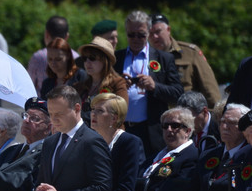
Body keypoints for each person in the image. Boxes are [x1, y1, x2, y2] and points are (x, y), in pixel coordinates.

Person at [115, 10, 183, 158]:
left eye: (141, 34)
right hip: (121, 128)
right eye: (131, 34)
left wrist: (154, 86)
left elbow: (178, 93)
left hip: (151, 130)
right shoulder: (116, 59)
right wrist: (118, 84)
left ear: (149, 32)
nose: (136, 39)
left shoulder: (164, 58)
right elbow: (103, 90)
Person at [88, 93, 143, 191]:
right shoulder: (90, 143)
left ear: (114, 118)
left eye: (99, 111)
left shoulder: (129, 142)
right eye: (93, 109)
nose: (93, 114)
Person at [140, 107, 199, 191]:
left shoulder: (191, 156)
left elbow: (176, 189)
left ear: (187, 131)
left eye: (175, 125)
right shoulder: (157, 155)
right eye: (165, 126)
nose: (169, 130)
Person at [149, 14, 221, 109]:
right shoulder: (144, 57)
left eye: (158, 31)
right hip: (156, 118)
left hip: (187, 114)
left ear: (168, 30)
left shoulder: (189, 53)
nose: (154, 37)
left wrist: (214, 117)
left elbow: (210, 90)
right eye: (150, 33)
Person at [74, 37, 128, 122]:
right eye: (85, 58)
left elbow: (120, 113)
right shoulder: (79, 86)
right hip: (84, 134)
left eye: (92, 58)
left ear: (104, 61)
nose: (87, 62)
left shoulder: (118, 84)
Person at [28, 16, 78, 93]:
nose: (53, 64)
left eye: (59, 59)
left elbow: (29, 86)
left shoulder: (38, 57)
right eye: (50, 59)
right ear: (67, 36)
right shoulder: (77, 57)